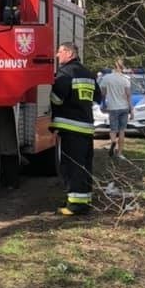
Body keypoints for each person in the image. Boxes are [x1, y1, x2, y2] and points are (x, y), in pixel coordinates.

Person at [50, 41, 102, 216]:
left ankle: (75, 206)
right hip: (86, 127)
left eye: (60, 52)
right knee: (84, 165)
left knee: (71, 167)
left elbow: (57, 99)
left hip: (70, 128)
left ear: (69, 53)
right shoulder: (88, 73)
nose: (57, 56)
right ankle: (84, 201)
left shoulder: (65, 73)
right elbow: (98, 98)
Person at [99, 59, 133, 160]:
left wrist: (103, 104)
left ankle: (113, 141)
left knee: (113, 130)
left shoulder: (106, 78)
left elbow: (103, 94)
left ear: (113, 66)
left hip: (113, 107)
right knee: (122, 131)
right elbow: (128, 95)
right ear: (123, 67)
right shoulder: (125, 79)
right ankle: (119, 153)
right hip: (124, 107)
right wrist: (131, 108)